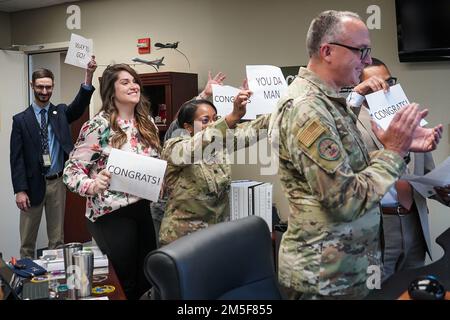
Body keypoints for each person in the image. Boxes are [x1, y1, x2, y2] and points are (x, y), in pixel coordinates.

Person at [268, 10, 443, 299]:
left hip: (347, 269)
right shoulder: (307, 109)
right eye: (361, 50)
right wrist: (393, 151)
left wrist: (397, 147)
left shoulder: (329, 104)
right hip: (324, 279)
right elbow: (346, 201)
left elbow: (350, 172)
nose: (366, 61)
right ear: (327, 51)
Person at [348, 57, 450, 281]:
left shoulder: (410, 119)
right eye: (374, 84)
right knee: (378, 294)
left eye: (389, 81)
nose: (384, 88)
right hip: (377, 229)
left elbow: (426, 178)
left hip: (414, 223)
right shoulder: (350, 124)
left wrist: (443, 192)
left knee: (411, 291)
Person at [63, 64, 160, 300]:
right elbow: (71, 170)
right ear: (111, 90)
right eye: (125, 82)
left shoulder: (147, 123)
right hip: (110, 213)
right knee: (123, 282)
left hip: (142, 208)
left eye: (134, 81)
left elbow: (156, 164)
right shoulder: (99, 125)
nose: (133, 85)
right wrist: (93, 184)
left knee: (146, 279)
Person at [159, 88, 271, 246]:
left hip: (214, 235)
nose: (212, 123)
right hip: (182, 240)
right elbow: (200, 143)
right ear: (188, 127)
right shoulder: (175, 147)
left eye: (215, 118)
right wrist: (232, 117)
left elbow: (252, 130)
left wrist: (281, 111)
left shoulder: (218, 144)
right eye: (205, 120)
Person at [10, 57, 97, 259]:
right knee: (27, 242)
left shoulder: (61, 113)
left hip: (57, 183)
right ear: (32, 86)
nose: (44, 91)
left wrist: (89, 75)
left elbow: (80, 104)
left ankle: (55, 283)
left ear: (53, 86)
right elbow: (16, 159)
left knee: (57, 239)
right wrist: (20, 190)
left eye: (48, 87)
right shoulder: (21, 120)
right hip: (31, 187)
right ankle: (27, 282)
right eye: (40, 87)